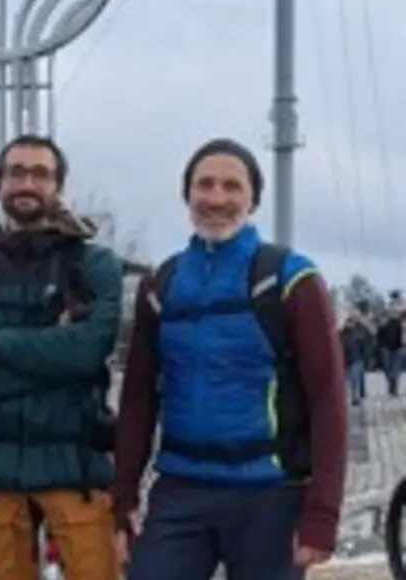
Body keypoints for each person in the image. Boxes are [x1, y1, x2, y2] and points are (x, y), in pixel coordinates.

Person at [113, 138, 347, 580]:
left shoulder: (291, 279)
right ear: (187, 196)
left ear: (252, 199)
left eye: (231, 186)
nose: (216, 198)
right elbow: (138, 399)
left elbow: (328, 399)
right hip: (182, 489)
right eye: (204, 185)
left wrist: (322, 512)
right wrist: (123, 498)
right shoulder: (160, 285)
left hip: (270, 495)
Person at [0, 134, 125, 580]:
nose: (27, 183)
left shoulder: (93, 266)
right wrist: (57, 361)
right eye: (16, 172)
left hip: (76, 470)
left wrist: (0, 344)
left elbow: (89, 350)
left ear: (58, 186)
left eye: (41, 174)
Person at [340, 312, 374, 408]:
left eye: (352, 321)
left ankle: (356, 397)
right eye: (349, 321)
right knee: (351, 380)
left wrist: (367, 355)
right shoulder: (342, 333)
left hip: (357, 358)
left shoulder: (360, 331)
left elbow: (367, 342)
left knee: (356, 379)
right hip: (347, 360)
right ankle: (356, 395)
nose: (350, 323)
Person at [376, 307, 403, 397]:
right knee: (387, 369)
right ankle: (391, 384)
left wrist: (402, 345)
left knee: (395, 370)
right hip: (386, 348)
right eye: (391, 313)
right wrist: (381, 346)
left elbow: (401, 335)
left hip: (396, 349)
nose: (393, 315)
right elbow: (379, 335)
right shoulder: (384, 324)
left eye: (394, 313)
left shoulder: (398, 324)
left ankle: (394, 389)